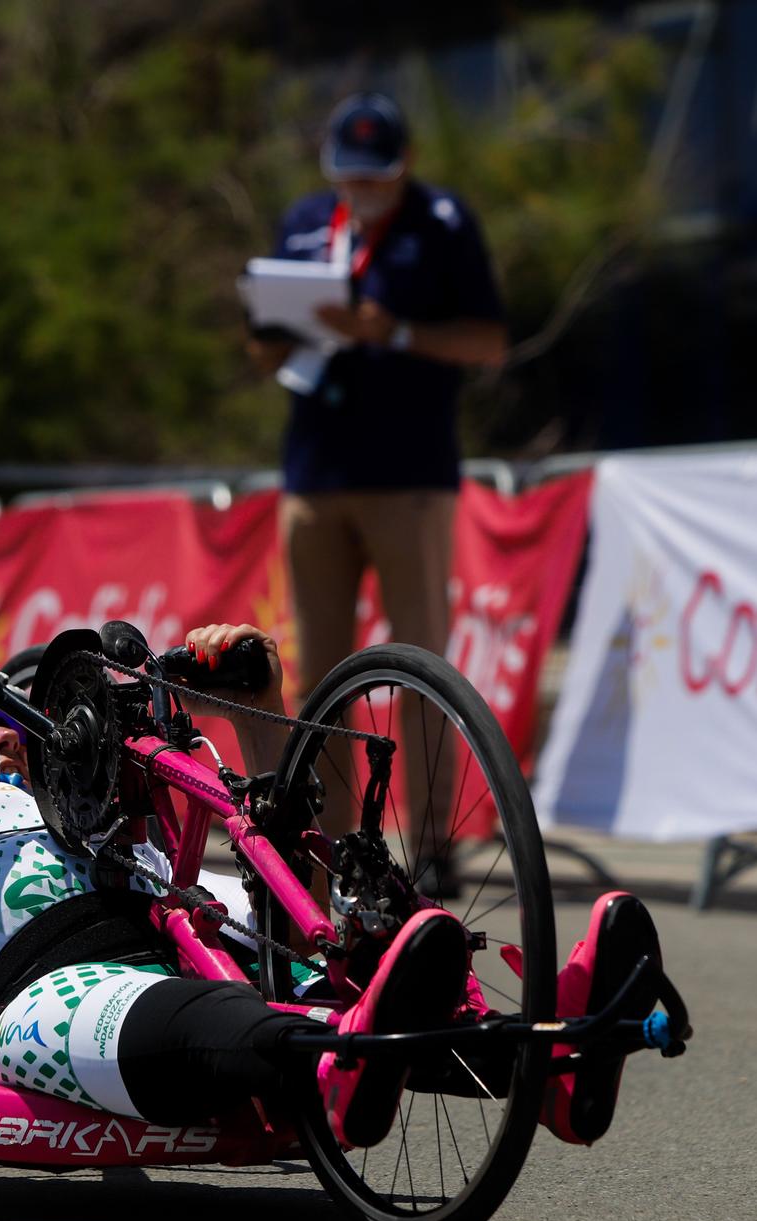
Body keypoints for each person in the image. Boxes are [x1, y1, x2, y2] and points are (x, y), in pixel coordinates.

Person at [0, 614, 648, 1148]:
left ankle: (550, 1060)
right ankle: (334, 1056)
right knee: (179, 1010)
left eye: (9, 722)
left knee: (307, 964)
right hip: (31, 1001)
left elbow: (286, 886)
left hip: (166, 925)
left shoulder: (76, 813)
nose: (1, 737)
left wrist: (257, 698)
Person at [249, 93, 508, 853]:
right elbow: (262, 352)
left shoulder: (443, 225)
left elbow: (488, 340)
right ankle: (326, 847)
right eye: (349, 179)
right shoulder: (303, 224)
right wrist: (278, 322)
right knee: (319, 676)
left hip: (410, 476)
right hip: (315, 475)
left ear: (406, 169)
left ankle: (432, 843)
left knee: (423, 665)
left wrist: (390, 331)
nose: (360, 194)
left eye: (376, 179)